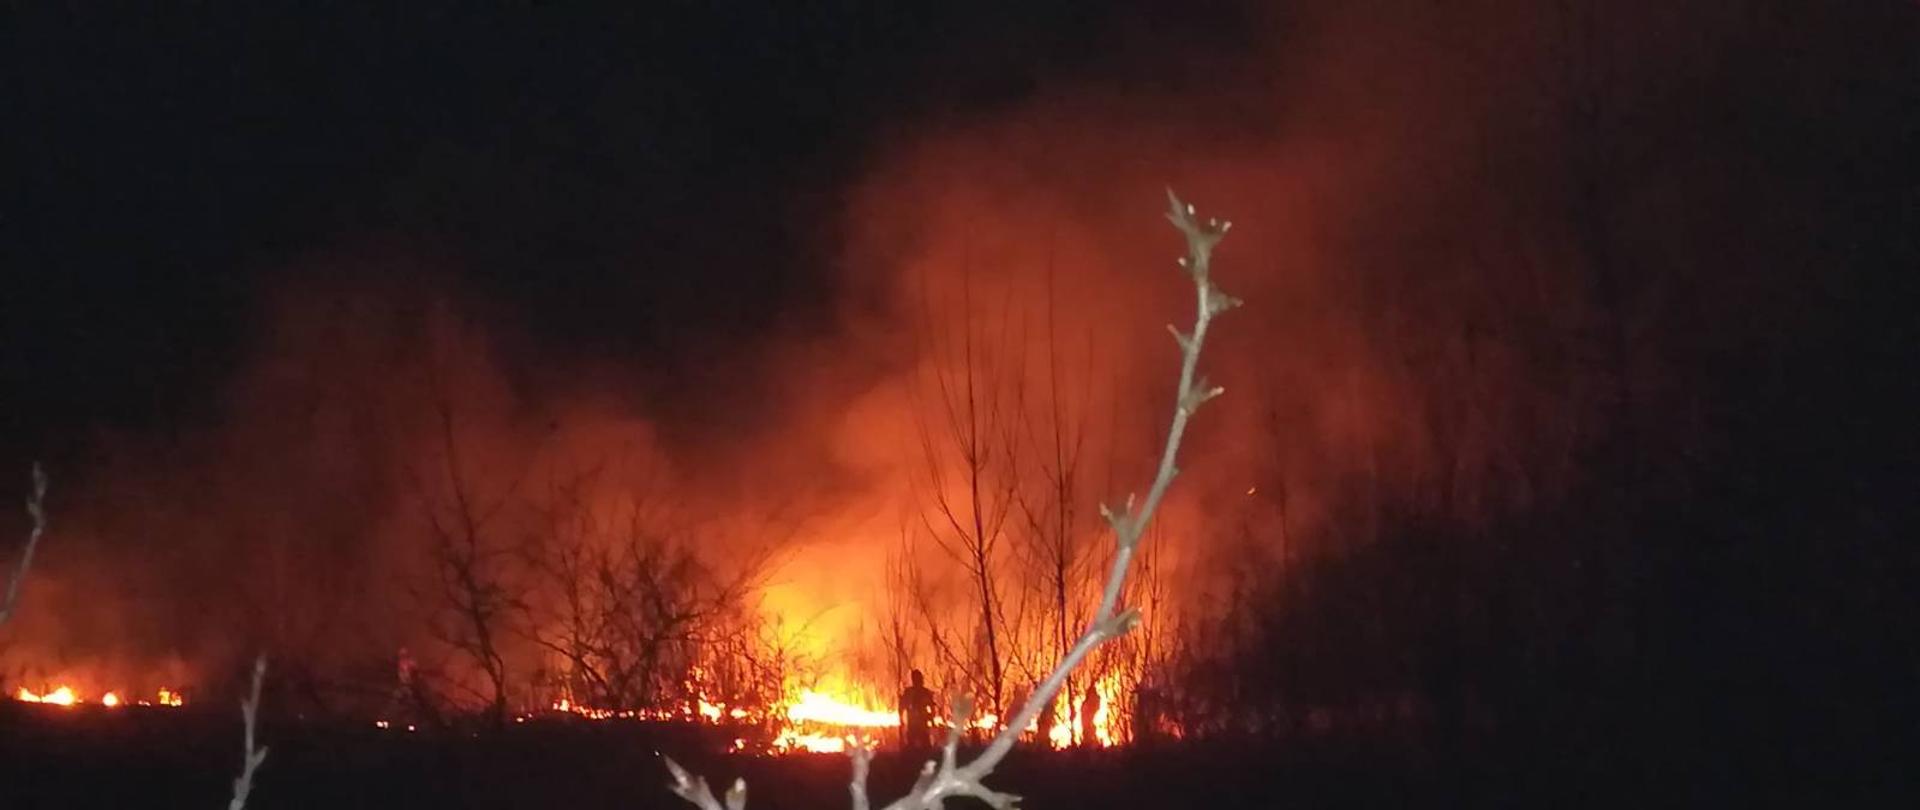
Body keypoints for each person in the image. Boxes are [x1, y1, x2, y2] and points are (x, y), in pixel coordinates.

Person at [899, 669, 935, 752]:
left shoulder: (924, 692)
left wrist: (931, 718)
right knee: (913, 745)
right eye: (918, 678)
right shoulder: (909, 692)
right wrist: (901, 719)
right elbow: (902, 706)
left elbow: (931, 706)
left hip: (921, 722)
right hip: (913, 723)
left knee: (925, 745)